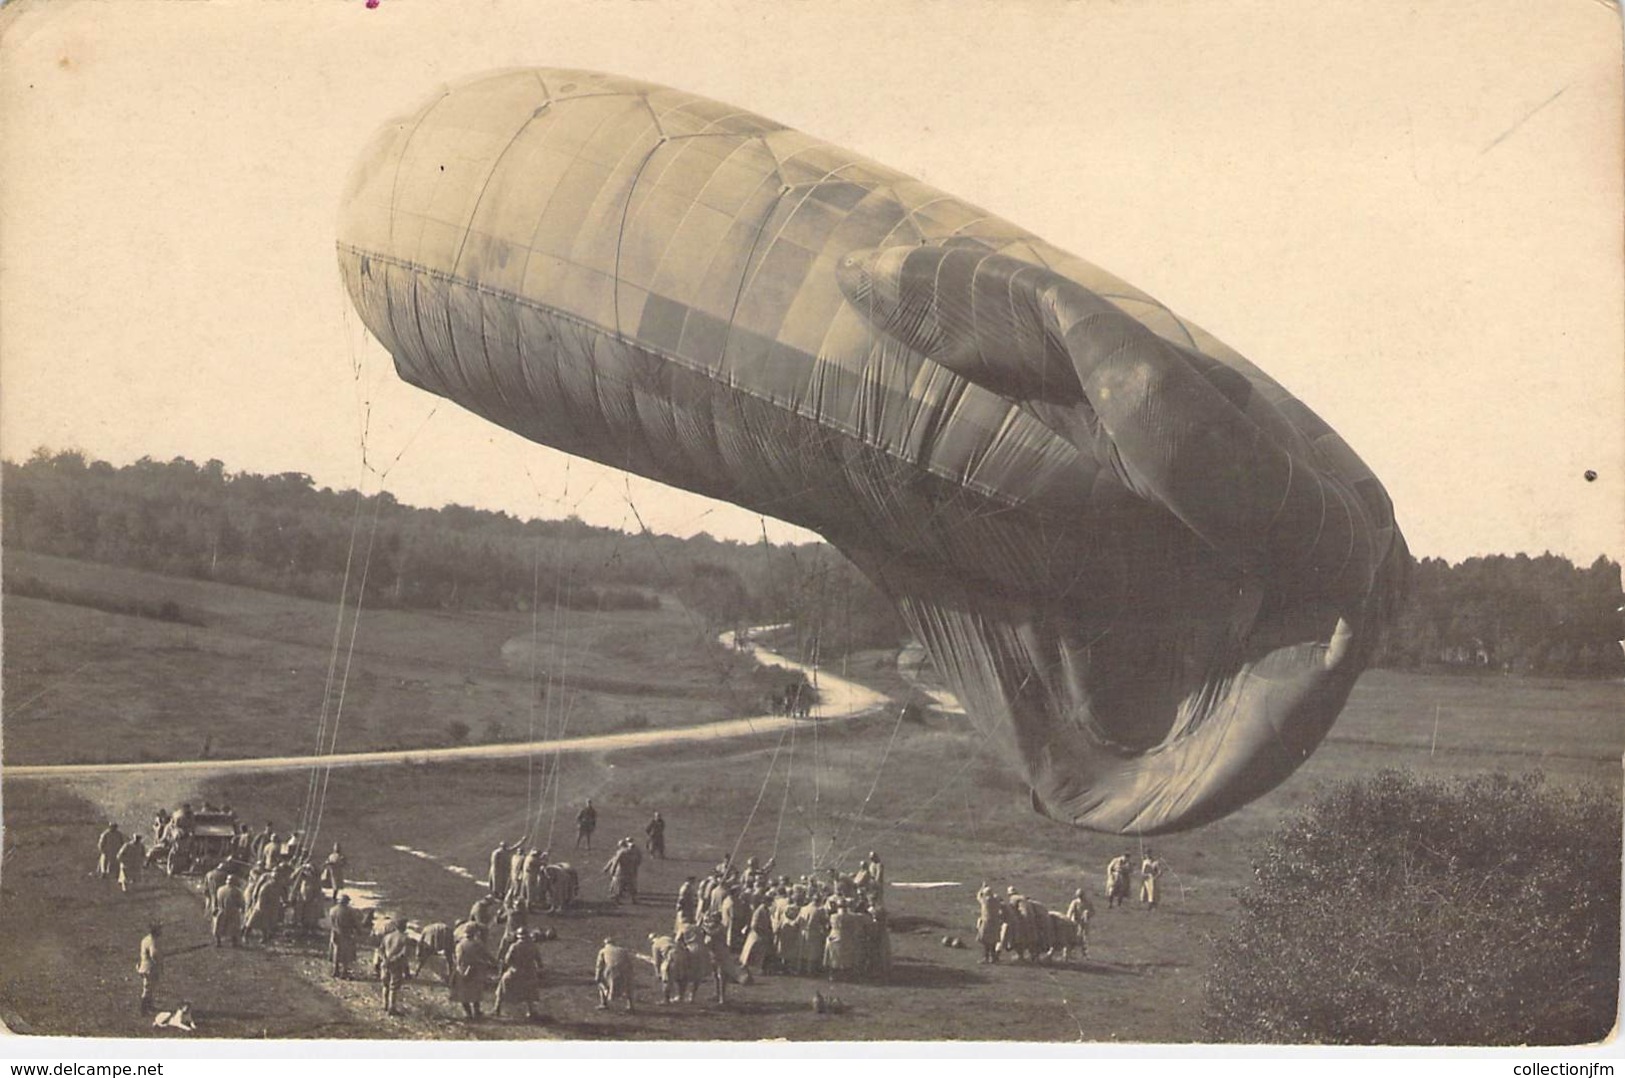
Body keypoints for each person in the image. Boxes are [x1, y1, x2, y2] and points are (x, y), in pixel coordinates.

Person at [494, 929, 545, 1020]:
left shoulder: (514, 946)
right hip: (529, 973)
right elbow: (539, 962)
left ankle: (497, 1008)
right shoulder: (533, 946)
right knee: (529, 990)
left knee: (502, 986)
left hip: (515, 972)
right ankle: (531, 1011)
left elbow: (507, 960)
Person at [451, 925, 494, 1020]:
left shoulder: (460, 945)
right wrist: (494, 962)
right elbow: (487, 955)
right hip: (477, 970)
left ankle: (468, 1013)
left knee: (463, 993)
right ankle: (477, 1012)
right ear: (474, 934)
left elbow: (459, 959)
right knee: (476, 992)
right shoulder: (479, 944)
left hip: (464, 970)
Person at [376, 919, 413, 1016]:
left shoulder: (387, 936)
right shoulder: (405, 938)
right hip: (396, 965)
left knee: (385, 985)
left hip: (385, 963)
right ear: (404, 927)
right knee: (394, 987)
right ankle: (392, 1008)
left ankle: (384, 1005)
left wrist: (385, 959)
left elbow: (380, 950)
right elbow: (404, 954)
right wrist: (406, 971)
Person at [594, 937, 635, 1013]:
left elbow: (599, 965)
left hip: (611, 971)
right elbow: (629, 963)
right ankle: (630, 1005)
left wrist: (598, 976)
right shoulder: (623, 950)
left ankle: (604, 1003)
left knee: (601, 984)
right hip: (624, 970)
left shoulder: (603, 951)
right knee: (627, 987)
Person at [328, 894, 360, 979]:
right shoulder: (350, 911)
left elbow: (331, 922)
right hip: (346, 933)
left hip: (335, 932)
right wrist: (359, 931)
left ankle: (335, 970)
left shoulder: (332, 910)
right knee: (346, 953)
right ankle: (344, 972)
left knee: (336, 951)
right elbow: (355, 923)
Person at [137, 923, 162, 1014]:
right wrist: (160, 960)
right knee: (148, 988)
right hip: (149, 968)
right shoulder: (152, 941)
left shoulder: (145, 939)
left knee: (150, 988)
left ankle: (149, 1006)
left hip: (144, 966)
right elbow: (154, 955)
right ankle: (144, 1009)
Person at [212, 874, 244, 947]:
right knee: (234, 927)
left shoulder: (220, 889)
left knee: (219, 926)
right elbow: (240, 902)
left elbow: (216, 900)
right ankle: (234, 942)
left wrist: (215, 908)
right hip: (232, 911)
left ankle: (218, 942)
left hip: (221, 909)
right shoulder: (237, 891)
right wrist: (242, 908)